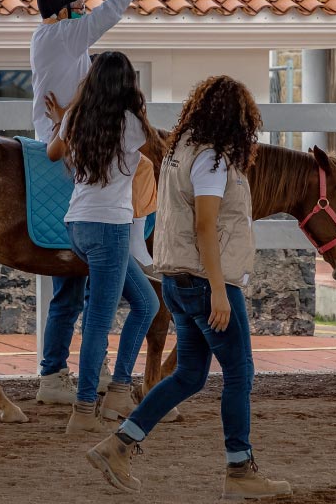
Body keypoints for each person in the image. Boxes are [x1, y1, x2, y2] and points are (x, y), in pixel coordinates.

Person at [86, 76, 292, 499]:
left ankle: (119, 444)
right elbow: (205, 223)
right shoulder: (213, 160)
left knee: (189, 375)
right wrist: (219, 289)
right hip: (205, 282)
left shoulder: (180, 151)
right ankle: (240, 470)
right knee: (239, 373)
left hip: (179, 282)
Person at [32, 0, 163, 407]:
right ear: (65, 12)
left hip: (67, 127)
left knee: (73, 286)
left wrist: (68, 115)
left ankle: (65, 371)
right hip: (72, 139)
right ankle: (133, 240)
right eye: (78, 5)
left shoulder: (64, 43)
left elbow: (86, 94)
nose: (85, 11)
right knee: (144, 166)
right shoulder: (65, 36)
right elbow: (107, 15)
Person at [46, 51, 162, 434]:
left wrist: (64, 116)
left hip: (77, 226)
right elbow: (157, 148)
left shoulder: (75, 120)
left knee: (145, 303)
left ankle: (118, 390)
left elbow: (52, 152)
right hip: (110, 228)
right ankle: (83, 410)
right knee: (98, 322)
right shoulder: (132, 124)